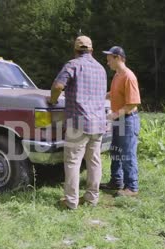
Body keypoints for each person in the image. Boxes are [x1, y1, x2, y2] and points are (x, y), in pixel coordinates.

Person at [49, 35, 107, 209]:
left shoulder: (72, 65)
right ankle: (91, 199)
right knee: (94, 161)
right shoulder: (101, 69)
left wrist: (52, 100)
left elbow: (58, 86)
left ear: (75, 50)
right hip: (98, 123)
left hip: (78, 123)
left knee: (73, 162)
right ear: (91, 50)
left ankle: (71, 202)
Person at [100, 46, 141, 197]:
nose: (107, 62)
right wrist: (103, 96)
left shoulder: (129, 77)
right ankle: (116, 181)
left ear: (117, 58)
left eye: (109, 59)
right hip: (119, 120)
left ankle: (132, 187)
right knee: (115, 151)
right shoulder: (118, 75)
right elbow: (116, 93)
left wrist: (114, 115)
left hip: (128, 121)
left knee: (127, 154)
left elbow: (132, 104)